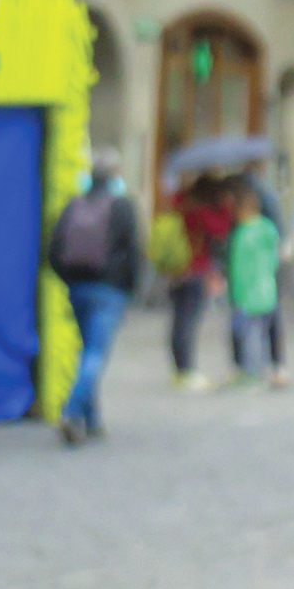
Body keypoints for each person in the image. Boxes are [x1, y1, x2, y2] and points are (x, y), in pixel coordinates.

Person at [43, 155, 143, 448]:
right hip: (109, 290)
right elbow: (134, 251)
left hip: (78, 288)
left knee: (87, 352)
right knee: (96, 354)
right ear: (114, 177)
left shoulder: (74, 205)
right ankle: (72, 412)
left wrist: (69, 279)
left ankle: (92, 420)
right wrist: (131, 289)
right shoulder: (123, 206)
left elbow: (53, 250)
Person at [165, 168, 239, 389]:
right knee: (188, 321)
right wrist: (226, 206)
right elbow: (222, 230)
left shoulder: (180, 202)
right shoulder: (202, 211)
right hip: (195, 270)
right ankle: (186, 370)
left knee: (178, 320)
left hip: (175, 270)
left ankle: (179, 369)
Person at [224, 192, 286, 391]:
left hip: (246, 294)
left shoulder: (241, 234)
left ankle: (250, 372)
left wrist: (233, 292)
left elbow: (236, 268)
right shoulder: (268, 229)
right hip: (268, 290)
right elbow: (276, 257)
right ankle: (270, 369)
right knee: (264, 333)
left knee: (247, 335)